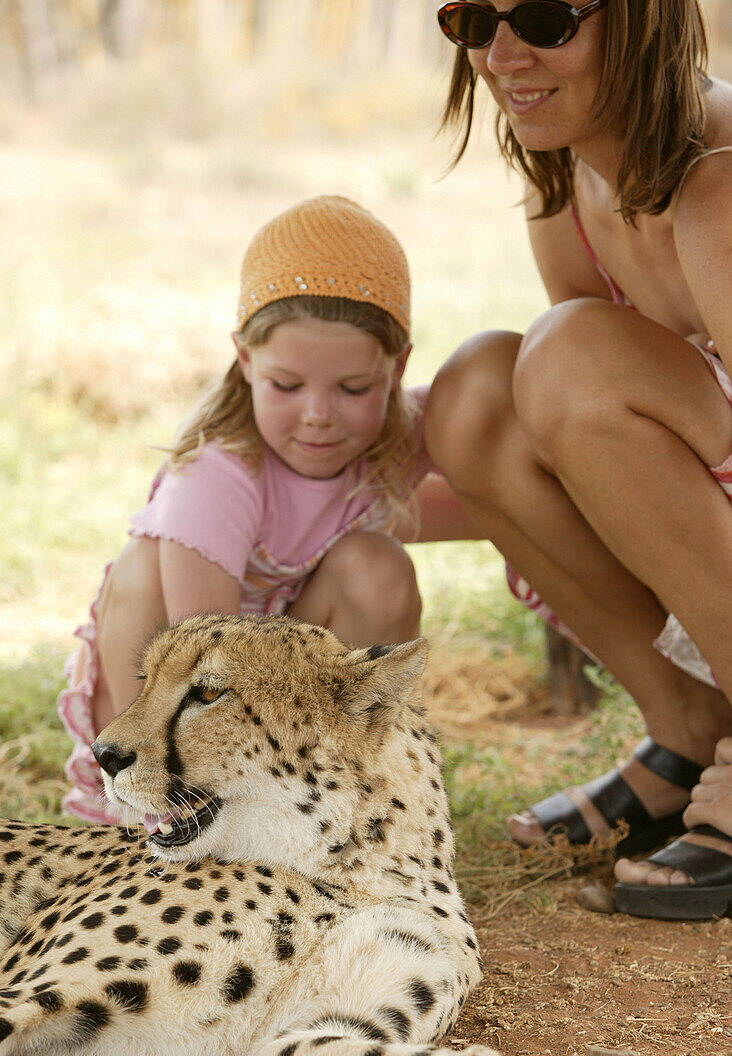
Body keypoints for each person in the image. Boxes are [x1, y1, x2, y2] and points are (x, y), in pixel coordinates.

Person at [426, 1, 732, 918]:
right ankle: (688, 729)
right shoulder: (561, 178)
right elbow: (579, 440)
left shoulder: (719, 182)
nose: (502, 55)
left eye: (548, 19)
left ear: (642, 23)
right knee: (478, 391)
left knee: (562, 354)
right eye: (475, 20)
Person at [58, 194, 475, 826]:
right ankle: (160, 812)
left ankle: (344, 793)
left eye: (355, 388)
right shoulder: (219, 476)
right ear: (246, 361)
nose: (318, 415)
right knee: (140, 564)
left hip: (274, 695)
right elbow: (202, 661)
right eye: (286, 385)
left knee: (376, 564)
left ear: (396, 369)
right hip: (171, 699)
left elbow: (493, 501)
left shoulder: (387, 441)